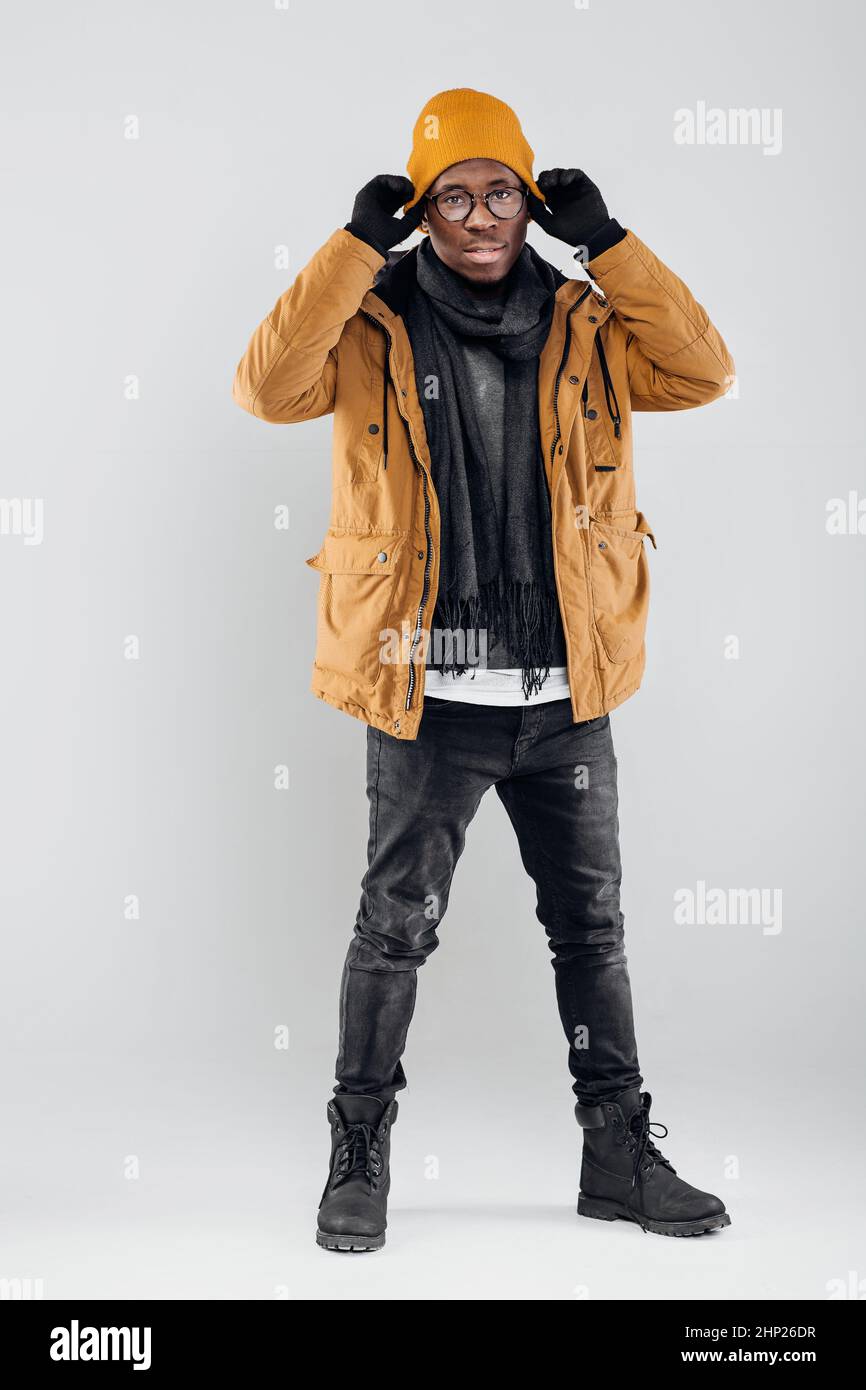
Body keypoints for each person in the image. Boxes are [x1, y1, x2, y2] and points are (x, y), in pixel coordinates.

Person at [232, 88, 736, 1251]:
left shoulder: (589, 319)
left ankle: (615, 1151)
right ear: (421, 209)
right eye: (447, 195)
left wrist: (609, 245)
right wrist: (354, 248)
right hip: (426, 684)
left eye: (495, 190)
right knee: (392, 929)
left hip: (566, 684)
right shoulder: (367, 322)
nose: (474, 215)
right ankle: (357, 1151)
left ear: (527, 200)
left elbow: (703, 369)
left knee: (591, 930)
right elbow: (264, 387)